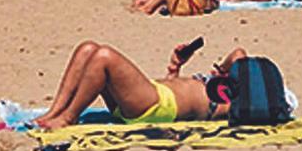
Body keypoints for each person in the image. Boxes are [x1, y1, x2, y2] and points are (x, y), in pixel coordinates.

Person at [32, 41, 253, 130]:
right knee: (88, 48)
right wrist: (175, 67)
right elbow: (238, 56)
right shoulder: (221, 89)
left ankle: (68, 118)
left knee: (104, 57)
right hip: (154, 95)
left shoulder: (233, 104)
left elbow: (239, 55)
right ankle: (55, 111)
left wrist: (224, 71)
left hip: (156, 107)